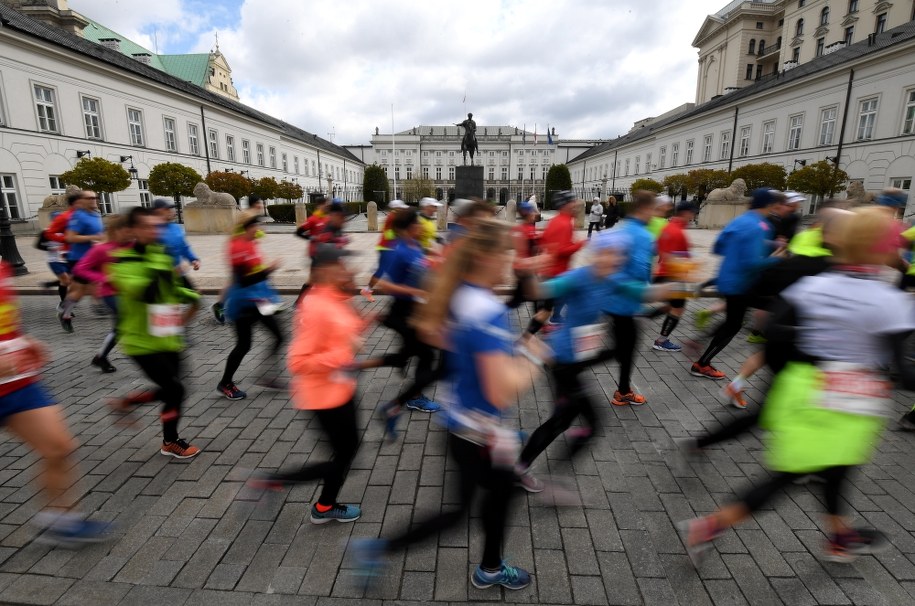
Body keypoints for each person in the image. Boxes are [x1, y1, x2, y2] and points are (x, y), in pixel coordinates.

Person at [680, 207, 915, 566]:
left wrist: (817, 348)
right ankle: (710, 526)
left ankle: (840, 537)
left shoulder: (815, 286)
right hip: (849, 402)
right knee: (797, 475)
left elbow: (773, 331)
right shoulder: (889, 301)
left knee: (834, 470)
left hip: (801, 388)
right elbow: (902, 372)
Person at [352, 218, 539, 591]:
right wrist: (534, 356)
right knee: (479, 505)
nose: (510, 263)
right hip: (481, 430)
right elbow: (501, 392)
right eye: (505, 254)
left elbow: (432, 332)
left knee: (482, 501)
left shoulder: (459, 294)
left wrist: (475, 353)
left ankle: (483, 565)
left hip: (462, 423)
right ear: (484, 257)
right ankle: (484, 567)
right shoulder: (487, 309)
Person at [247, 245, 366, 523]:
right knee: (343, 456)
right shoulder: (315, 306)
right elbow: (298, 362)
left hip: (340, 389)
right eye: (340, 264)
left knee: (347, 452)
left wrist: (359, 325)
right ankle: (276, 482)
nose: (347, 269)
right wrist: (342, 356)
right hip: (323, 397)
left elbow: (340, 332)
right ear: (323, 270)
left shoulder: (333, 296)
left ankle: (324, 505)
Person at [0, 262, 113, 546]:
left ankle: (60, 522)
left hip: (17, 384)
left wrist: (25, 340)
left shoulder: (2, 268)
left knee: (59, 448)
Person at [108, 207, 201, 459]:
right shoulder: (122, 261)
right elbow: (145, 293)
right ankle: (170, 440)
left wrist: (192, 297)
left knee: (176, 391)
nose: (155, 231)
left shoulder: (161, 254)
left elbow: (170, 290)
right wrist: (163, 268)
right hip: (140, 341)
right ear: (133, 230)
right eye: (147, 226)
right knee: (175, 390)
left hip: (168, 335)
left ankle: (130, 404)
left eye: (157, 226)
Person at [690, 188, 784, 380]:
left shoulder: (740, 220)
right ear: (770, 205)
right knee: (734, 325)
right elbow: (751, 263)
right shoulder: (760, 225)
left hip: (727, 279)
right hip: (741, 284)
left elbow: (718, 247)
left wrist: (770, 245)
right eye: (776, 205)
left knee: (735, 321)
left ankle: (701, 352)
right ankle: (702, 364)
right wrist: (777, 259)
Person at [375, 209, 442, 429]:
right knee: (426, 355)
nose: (421, 226)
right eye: (418, 223)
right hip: (403, 311)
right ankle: (412, 398)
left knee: (413, 354)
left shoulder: (415, 246)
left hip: (416, 310)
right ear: (408, 227)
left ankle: (356, 366)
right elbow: (384, 284)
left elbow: (420, 268)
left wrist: (435, 261)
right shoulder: (398, 251)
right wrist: (414, 291)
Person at [217, 212, 284, 400]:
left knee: (279, 336)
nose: (258, 229)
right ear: (246, 228)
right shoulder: (237, 247)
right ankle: (225, 383)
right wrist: (270, 269)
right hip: (243, 303)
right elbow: (243, 281)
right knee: (244, 345)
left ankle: (267, 376)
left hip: (261, 300)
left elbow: (256, 272)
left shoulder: (251, 242)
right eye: (255, 225)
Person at [602, 190, 656, 406]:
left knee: (622, 347)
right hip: (626, 303)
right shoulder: (643, 235)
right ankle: (622, 390)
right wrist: (650, 291)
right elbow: (641, 270)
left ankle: (623, 389)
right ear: (645, 208)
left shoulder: (623, 229)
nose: (653, 215)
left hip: (612, 299)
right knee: (625, 348)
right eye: (652, 210)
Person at [73, 214, 131, 374]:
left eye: (131, 229)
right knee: (124, 323)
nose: (130, 233)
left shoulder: (133, 246)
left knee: (122, 327)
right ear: (115, 230)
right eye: (126, 230)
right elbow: (80, 269)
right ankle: (102, 356)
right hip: (110, 293)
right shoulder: (101, 249)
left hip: (129, 292)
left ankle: (101, 357)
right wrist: (103, 278)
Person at [526, 190, 584, 333]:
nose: (575, 204)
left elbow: (544, 241)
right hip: (557, 272)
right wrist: (580, 244)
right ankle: (553, 321)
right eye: (572, 201)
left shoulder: (556, 220)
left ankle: (551, 320)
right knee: (560, 300)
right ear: (565, 204)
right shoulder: (564, 223)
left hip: (551, 271)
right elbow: (561, 250)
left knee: (550, 303)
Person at [651, 200, 698, 353]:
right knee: (678, 309)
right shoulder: (677, 232)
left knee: (672, 306)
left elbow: (658, 249)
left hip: (664, 273)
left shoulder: (668, 227)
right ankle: (661, 341)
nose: (693, 216)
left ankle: (645, 317)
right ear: (686, 213)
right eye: (692, 213)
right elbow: (672, 256)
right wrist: (688, 273)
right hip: (673, 276)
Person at [58, 190, 104, 332]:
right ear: (81, 201)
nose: (93, 200)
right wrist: (92, 238)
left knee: (84, 289)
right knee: (80, 290)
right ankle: (65, 313)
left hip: (94, 258)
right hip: (80, 259)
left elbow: (99, 235)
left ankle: (65, 311)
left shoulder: (96, 215)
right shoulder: (78, 216)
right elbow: (70, 237)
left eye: (95, 197)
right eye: (89, 198)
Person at [361, 199, 408, 302]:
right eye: (401, 208)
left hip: (389, 247)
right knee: (381, 271)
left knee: (388, 269)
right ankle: (367, 290)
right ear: (396, 208)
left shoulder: (393, 216)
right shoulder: (393, 217)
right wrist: (400, 235)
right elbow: (388, 233)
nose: (403, 210)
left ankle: (395, 290)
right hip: (387, 247)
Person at [41, 194, 78, 311]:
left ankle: (49, 285)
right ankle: (64, 304)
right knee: (66, 280)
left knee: (70, 280)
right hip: (54, 260)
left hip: (67, 258)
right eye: (56, 219)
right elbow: (38, 245)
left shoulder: (68, 231)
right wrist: (49, 248)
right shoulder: (46, 232)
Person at [152, 198, 201, 287]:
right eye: (167, 209)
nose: (170, 211)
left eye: (170, 209)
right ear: (158, 212)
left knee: (192, 294)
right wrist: (169, 268)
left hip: (179, 273)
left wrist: (193, 259)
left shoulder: (176, 227)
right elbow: (153, 255)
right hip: (162, 276)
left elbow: (184, 247)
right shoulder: (152, 230)